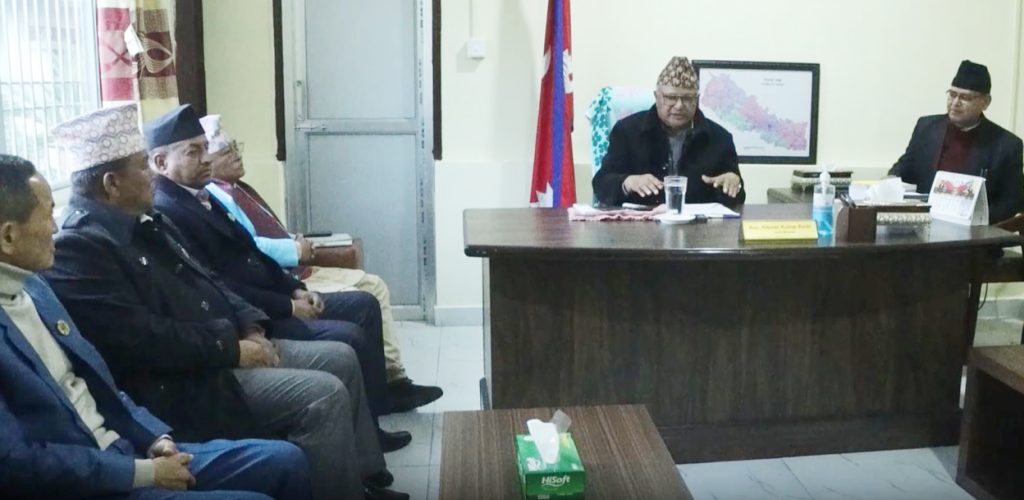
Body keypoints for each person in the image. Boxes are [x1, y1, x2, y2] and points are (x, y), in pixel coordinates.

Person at [43, 104, 409, 500]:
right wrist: (232, 348)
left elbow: (211, 279)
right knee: (323, 394)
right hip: (191, 379)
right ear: (112, 183)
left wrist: (251, 326)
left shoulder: (145, 221)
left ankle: (362, 477)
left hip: (226, 345)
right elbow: (145, 340)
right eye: (141, 166)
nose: (150, 174)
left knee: (341, 358)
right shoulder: (80, 248)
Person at [0, 154, 313, 500]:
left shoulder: (35, 288)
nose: (55, 228)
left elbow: (99, 383)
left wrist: (153, 437)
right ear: (8, 237)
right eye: (47, 216)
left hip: (128, 446)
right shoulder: (79, 249)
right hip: (93, 480)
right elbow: (16, 463)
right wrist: (141, 473)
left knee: (285, 461)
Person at [199, 114, 442, 413]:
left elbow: (260, 240)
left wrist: (294, 251)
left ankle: (390, 382)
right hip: (279, 282)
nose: (236, 155)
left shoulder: (238, 190)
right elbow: (253, 249)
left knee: (372, 290)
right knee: (370, 292)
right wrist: (295, 252)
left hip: (288, 277)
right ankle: (390, 383)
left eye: (236, 147)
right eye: (226, 151)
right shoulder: (215, 198)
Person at [592, 56, 746, 208]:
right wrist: (628, 182)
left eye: (687, 98)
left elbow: (738, 199)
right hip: (641, 221)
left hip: (697, 222)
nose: (679, 105)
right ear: (656, 97)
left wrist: (734, 185)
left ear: (697, 99)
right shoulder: (627, 131)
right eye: (671, 98)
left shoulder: (720, 138)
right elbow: (601, 184)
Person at [889, 60, 1024, 224]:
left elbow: (1011, 201)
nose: (955, 103)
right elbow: (906, 166)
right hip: (922, 224)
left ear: (985, 102)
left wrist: (975, 220)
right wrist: (890, 182)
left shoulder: (1006, 145)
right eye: (952, 94)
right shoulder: (927, 127)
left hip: (973, 232)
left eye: (965, 97)